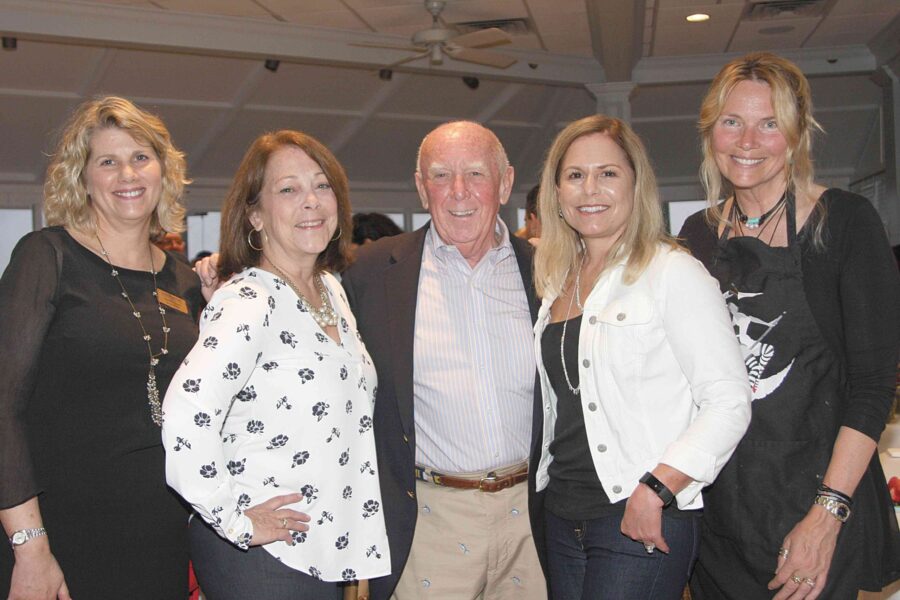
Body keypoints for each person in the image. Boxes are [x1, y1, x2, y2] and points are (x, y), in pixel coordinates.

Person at [679, 51, 900, 599]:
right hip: (720, 515)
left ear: (797, 134)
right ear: (711, 132)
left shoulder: (845, 222)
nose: (747, 141)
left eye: (769, 123)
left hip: (817, 501)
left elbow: (872, 387)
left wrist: (826, 519)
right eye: (732, 121)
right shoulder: (697, 235)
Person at [530, 114, 751, 599]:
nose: (591, 189)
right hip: (562, 514)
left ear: (635, 185)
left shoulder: (673, 271)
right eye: (575, 175)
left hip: (638, 514)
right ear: (557, 193)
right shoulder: (555, 282)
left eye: (608, 173)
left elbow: (729, 401)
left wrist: (657, 488)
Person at [162, 130, 390, 600]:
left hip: (323, 550)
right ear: (256, 215)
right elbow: (185, 417)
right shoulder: (249, 299)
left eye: (322, 185)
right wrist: (236, 519)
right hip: (264, 559)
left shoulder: (331, 290)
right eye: (288, 189)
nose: (311, 201)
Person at [0, 96, 202, 598]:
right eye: (107, 161)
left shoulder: (185, 282)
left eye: (140, 157)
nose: (127, 174)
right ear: (82, 178)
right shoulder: (47, 257)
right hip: (60, 533)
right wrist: (30, 549)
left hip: (161, 532)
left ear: (162, 170)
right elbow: (3, 409)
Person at [340, 121, 546, 599]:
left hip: (531, 520)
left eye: (475, 173)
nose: (458, 192)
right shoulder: (372, 274)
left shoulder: (548, 269)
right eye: (440, 175)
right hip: (428, 522)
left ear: (506, 182)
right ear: (419, 186)